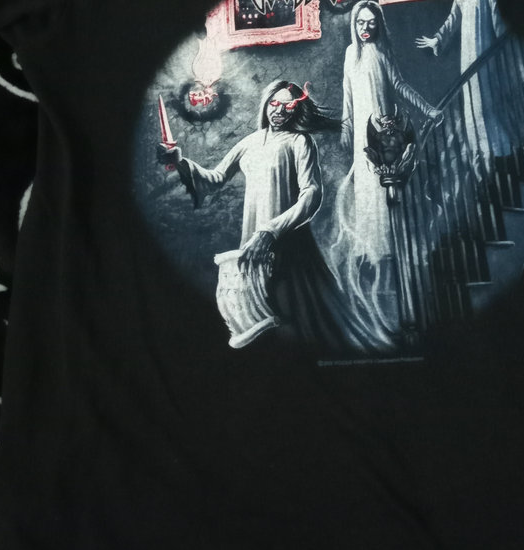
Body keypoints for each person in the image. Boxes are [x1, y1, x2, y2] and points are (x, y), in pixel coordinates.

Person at [157, 79, 377, 354]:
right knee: (257, 325)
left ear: (296, 110)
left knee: (301, 325)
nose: (279, 110)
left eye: (288, 106)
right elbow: (215, 179)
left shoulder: (300, 142)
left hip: (289, 247)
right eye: (274, 103)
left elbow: (311, 194)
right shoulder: (249, 143)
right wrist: (179, 161)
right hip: (252, 246)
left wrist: (270, 231)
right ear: (266, 103)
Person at [332, 0, 441, 338]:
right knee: (367, 192)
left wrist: (428, 109)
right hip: (362, 138)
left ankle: (394, 257)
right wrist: (346, 129)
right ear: (354, 25)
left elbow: (400, 86)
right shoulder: (351, 54)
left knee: (388, 192)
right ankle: (376, 256)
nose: (366, 28)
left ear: (378, 24)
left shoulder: (383, 52)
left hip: (385, 135)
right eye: (360, 22)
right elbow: (348, 95)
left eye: (371, 22)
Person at [416, 0, 516, 163]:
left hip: (484, 51)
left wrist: (503, 46)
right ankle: (479, 151)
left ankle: (499, 149)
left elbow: (497, 23)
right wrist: (437, 39)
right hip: (467, 53)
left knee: (487, 99)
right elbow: (453, 18)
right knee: (471, 99)